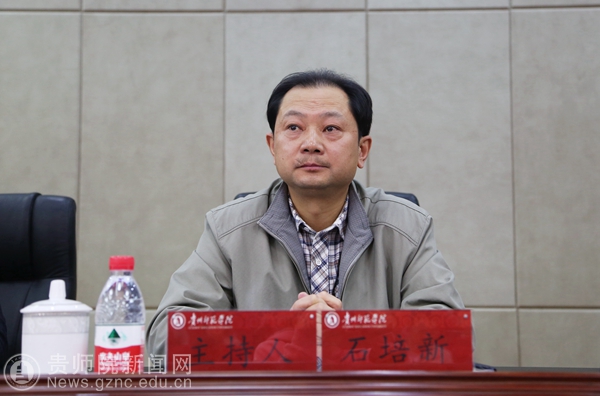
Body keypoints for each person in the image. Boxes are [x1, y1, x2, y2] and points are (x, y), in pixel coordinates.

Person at [146, 69, 465, 357]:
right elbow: (166, 338)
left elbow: (449, 337)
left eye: (331, 128)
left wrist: (352, 341)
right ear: (273, 146)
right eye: (294, 127)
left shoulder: (408, 227)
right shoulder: (227, 230)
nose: (311, 143)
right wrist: (270, 347)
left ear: (362, 150)